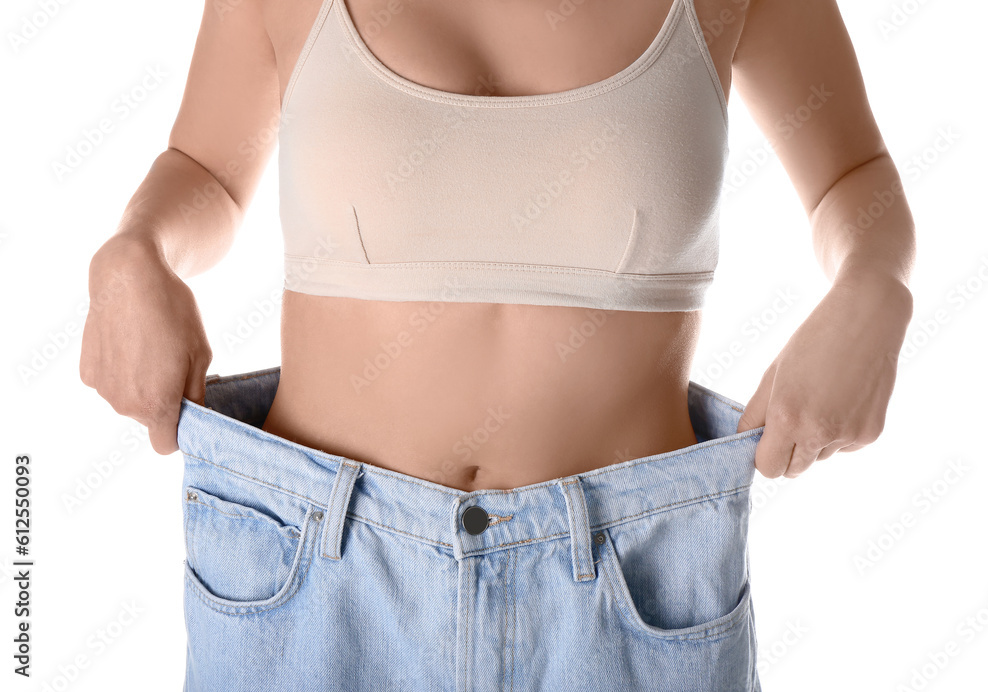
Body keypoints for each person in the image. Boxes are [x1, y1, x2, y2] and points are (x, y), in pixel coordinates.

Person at [79, 0, 915, 690]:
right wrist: (136, 247)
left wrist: (873, 284)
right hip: (313, 585)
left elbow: (854, 177)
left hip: (631, 596)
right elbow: (205, 169)